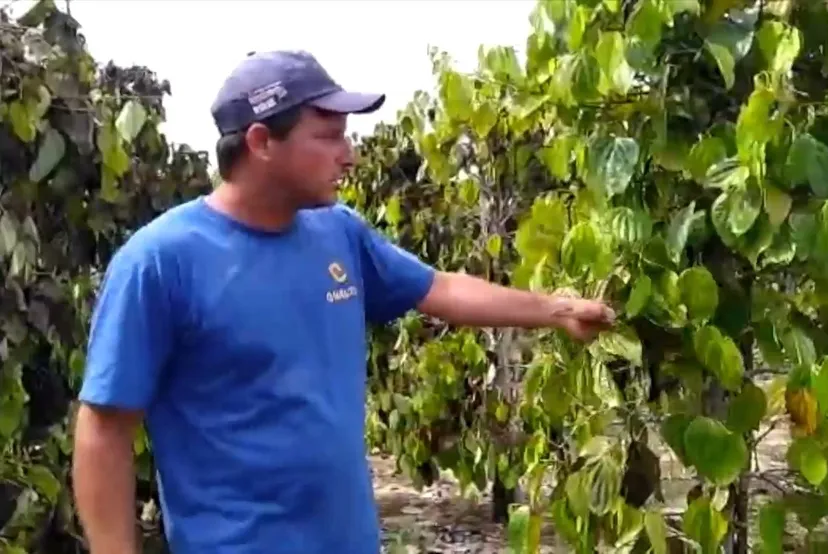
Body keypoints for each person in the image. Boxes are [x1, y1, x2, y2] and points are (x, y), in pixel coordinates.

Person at [71, 50, 616, 554]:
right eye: (329, 136)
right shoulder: (161, 262)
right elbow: (104, 428)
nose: (349, 155)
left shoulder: (339, 234)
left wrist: (559, 310)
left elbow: (441, 289)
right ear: (261, 142)